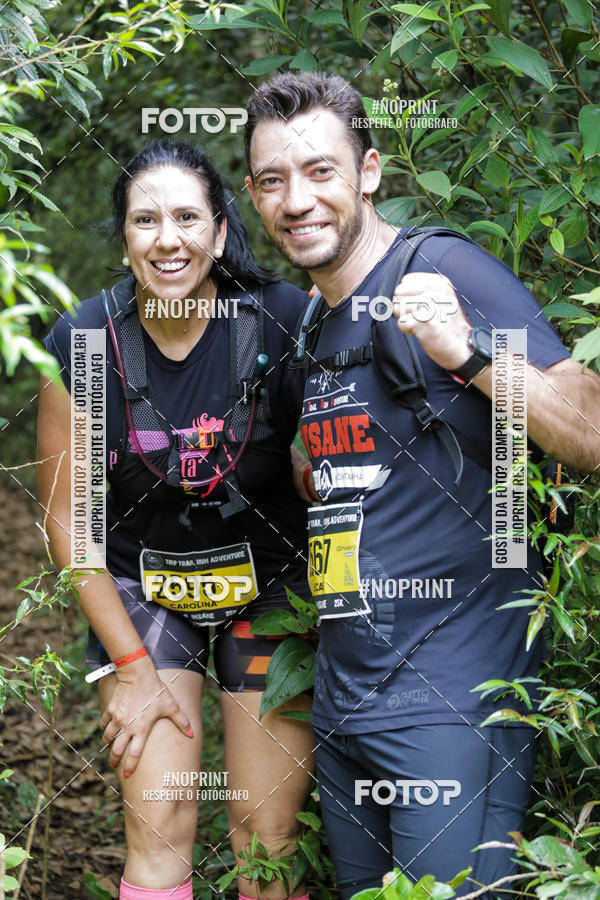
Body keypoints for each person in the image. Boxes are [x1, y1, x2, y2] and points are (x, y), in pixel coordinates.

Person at [243, 72, 600, 898]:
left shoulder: (441, 266)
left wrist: (466, 353)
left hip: (451, 699)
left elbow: (587, 431)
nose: (297, 199)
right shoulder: (312, 318)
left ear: (368, 172)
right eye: (272, 180)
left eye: (319, 171)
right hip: (343, 703)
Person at [37, 139, 315, 900]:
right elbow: (71, 521)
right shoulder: (87, 343)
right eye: (146, 220)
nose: (169, 238)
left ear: (221, 233)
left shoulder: (283, 321)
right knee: (159, 825)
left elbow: (338, 449)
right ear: (125, 239)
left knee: (267, 837)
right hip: (143, 591)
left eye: (188, 217)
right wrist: (130, 669)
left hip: (270, 588)